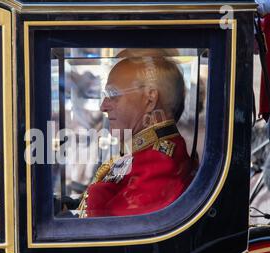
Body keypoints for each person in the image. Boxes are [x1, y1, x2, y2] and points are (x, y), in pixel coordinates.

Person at [77, 57, 197, 217]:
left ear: (150, 98)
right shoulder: (144, 154)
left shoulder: (159, 164)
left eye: (113, 94)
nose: (103, 106)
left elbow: (110, 233)